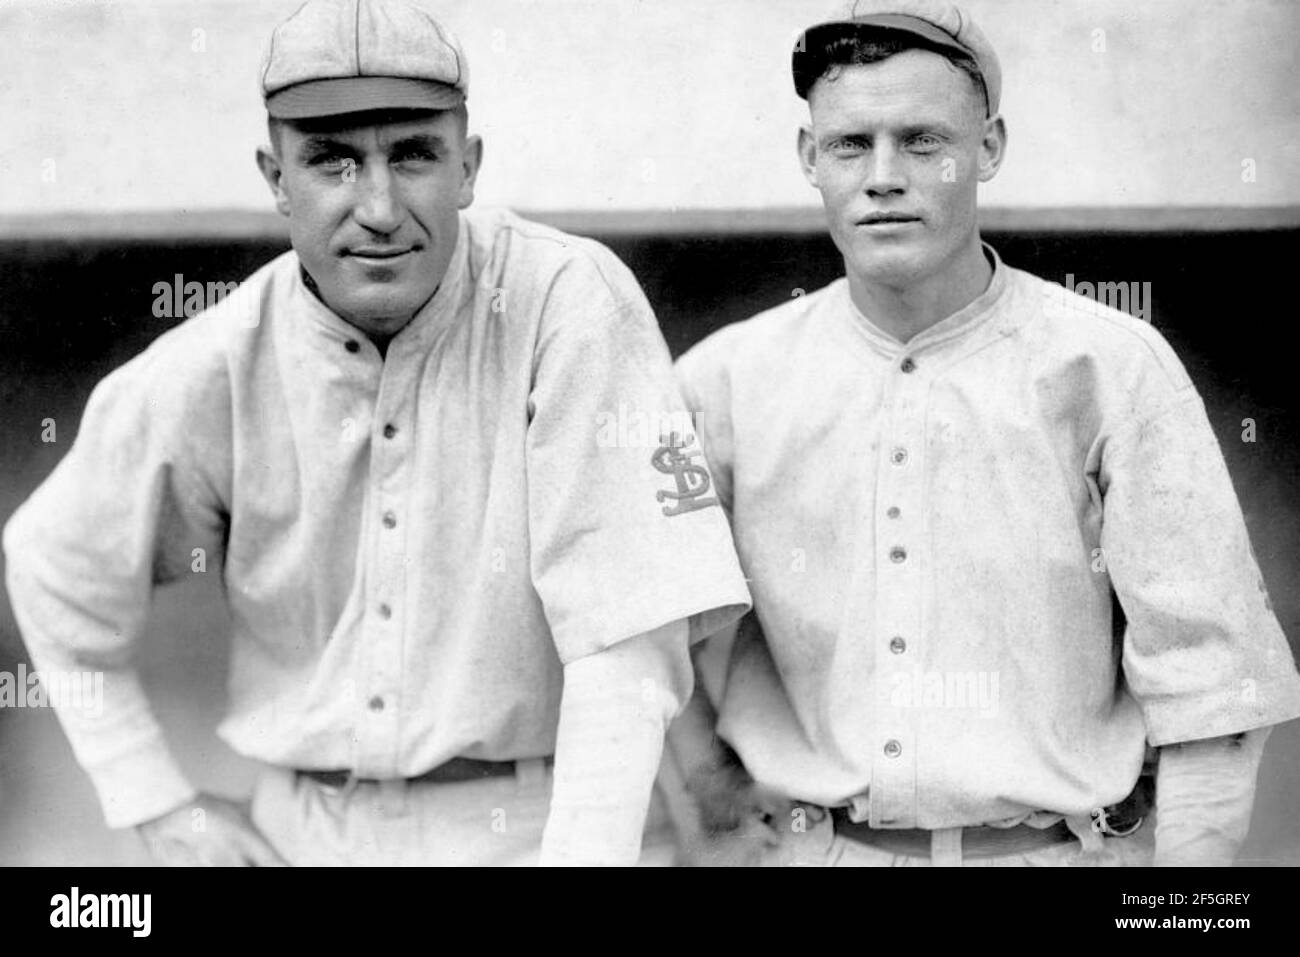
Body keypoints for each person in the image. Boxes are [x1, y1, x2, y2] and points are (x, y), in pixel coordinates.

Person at [3, 0, 749, 867]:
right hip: (305, 832)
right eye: (333, 162)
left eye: (413, 155)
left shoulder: (567, 303)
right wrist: (155, 799)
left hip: (543, 818)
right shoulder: (221, 355)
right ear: (275, 177)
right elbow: (53, 566)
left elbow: (626, 650)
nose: (381, 208)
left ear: (467, 166)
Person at [669, 0, 1300, 867]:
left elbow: (1215, 693)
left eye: (924, 140)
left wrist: (1184, 912)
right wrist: (708, 791)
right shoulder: (719, 381)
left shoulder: (1110, 366)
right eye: (852, 144)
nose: (884, 175)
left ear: (989, 148)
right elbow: (635, 631)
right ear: (810, 156)